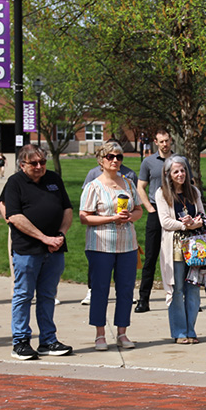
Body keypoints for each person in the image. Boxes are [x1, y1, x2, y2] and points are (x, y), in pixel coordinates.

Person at [2, 145, 73, 359]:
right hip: (27, 250)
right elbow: (14, 216)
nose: (40, 166)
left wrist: (60, 235)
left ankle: (48, 340)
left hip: (55, 249)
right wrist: (44, 238)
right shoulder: (14, 183)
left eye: (42, 162)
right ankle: (20, 342)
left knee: (48, 295)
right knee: (23, 295)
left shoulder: (53, 179)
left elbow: (67, 209)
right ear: (22, 164)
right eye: (34, 163)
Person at [79, 141, 143, 351]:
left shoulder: (129, 184)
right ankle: (100, 335)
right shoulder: (93, 186)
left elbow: (139, 210)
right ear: (101, 160)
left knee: (126, 290)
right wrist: (111, 218)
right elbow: (84, 217)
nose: (115, 160)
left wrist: (129, 217)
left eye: (119, 157)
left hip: (127, 245)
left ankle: (122, 333)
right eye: (110, 157)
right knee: (100, 290)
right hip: (100, 246)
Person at [156, 156, 206, 344]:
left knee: (193, 288)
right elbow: (165, 222)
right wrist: (186, 225)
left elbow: (202, 215)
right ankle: (179, 332)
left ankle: (191, 330)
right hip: (174, 247)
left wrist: (196, 222)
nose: (180, 174)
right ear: (168, 174)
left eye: (183, 170)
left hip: (195, 248)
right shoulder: (162, 193)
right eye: (176, 171)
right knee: (176, 289)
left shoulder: (193, 191)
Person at [134, 130, 178, 312]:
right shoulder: (148, 162)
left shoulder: (179, 160)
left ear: (171, 141)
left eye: (167, 141)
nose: (164, 144)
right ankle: (143, 299)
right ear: (156, 142)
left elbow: (189, 184)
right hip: (155, 211)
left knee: (178, 257)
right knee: (151, 257)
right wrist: (149, 208)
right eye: (161, 141)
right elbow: (140, 187)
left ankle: (182, 297)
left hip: (175, 210)